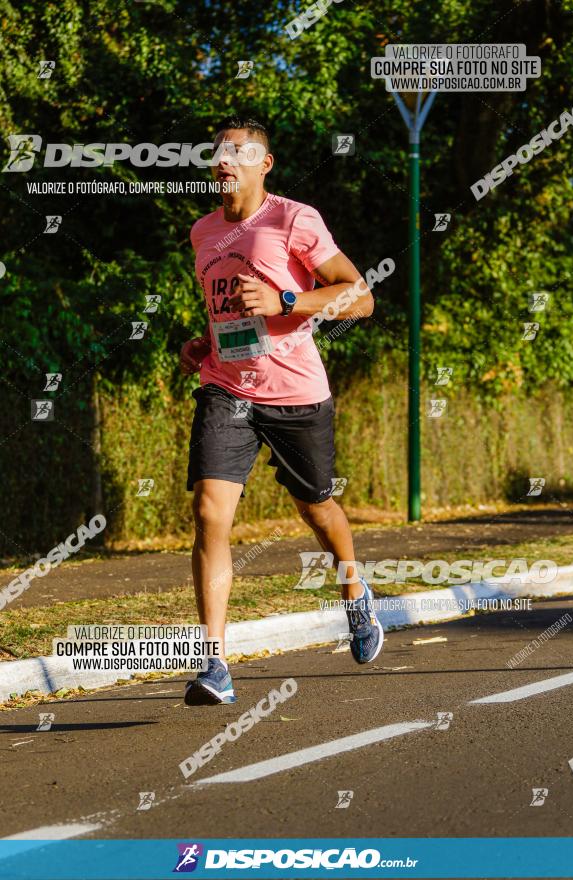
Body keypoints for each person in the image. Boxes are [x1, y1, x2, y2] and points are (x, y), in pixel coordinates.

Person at [180, 115, 383, 705]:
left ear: (263, 165)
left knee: (316, 508)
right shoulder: (202, 232)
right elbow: (227, 310)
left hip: (295, 392)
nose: (225, 159)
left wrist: (286, 299)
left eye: (239, 152)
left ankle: (353, 588)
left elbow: (360, 296)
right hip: (228, 387)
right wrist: (206, 342)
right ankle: (214, 662)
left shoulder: (294, 218)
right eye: (218, 151)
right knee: (210, 512)